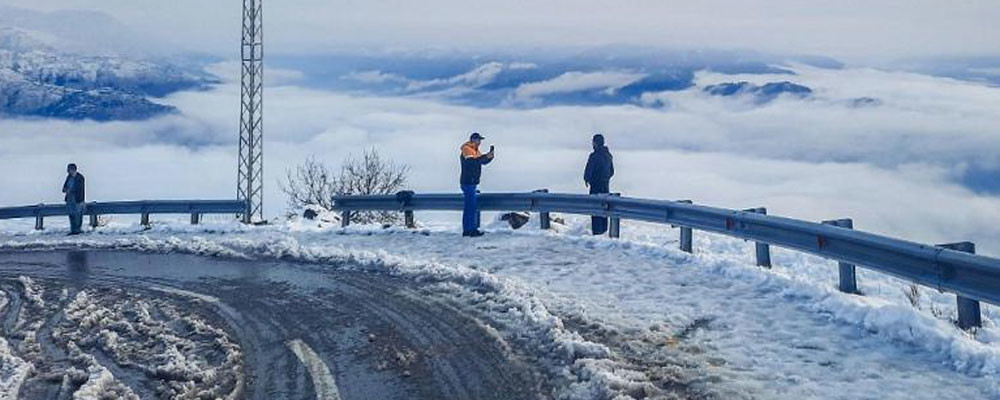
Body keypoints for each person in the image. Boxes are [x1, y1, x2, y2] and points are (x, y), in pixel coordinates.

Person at [460, 132, 495, 237]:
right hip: (468, 182)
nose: (479, 142)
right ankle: (469, 230)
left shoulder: (475, 150)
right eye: (478, 140)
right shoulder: (467, 149)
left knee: (472, 207)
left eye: (480, 140)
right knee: (470, 208)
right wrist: (485, 157)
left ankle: (471, 229)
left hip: (472, 182)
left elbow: (481, 162)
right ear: (473, 140)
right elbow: (472, 162)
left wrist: (489, 157)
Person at [584, 134, 614, 235]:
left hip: (595, 186)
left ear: (595, 143)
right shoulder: (608, 155)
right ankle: (604, 231)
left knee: (595, 209)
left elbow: (589, 170)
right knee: (604, 209)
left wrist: (587, 179)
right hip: (605, 187)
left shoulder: (594, 156)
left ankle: (596, 232)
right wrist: (606, 179)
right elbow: (612, 171)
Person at [62, 163, 86, 235]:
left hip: (77, 199)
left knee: (78, 215)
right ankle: (73, 229)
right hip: (69, 199)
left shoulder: (80, 177)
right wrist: (65, 190)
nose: (68, 171)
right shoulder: (69, 177)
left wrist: (71, 191)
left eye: (69, 169)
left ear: (73, 169)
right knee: (71, 214)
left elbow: (80, 189)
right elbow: (64, 187)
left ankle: (78, 230)